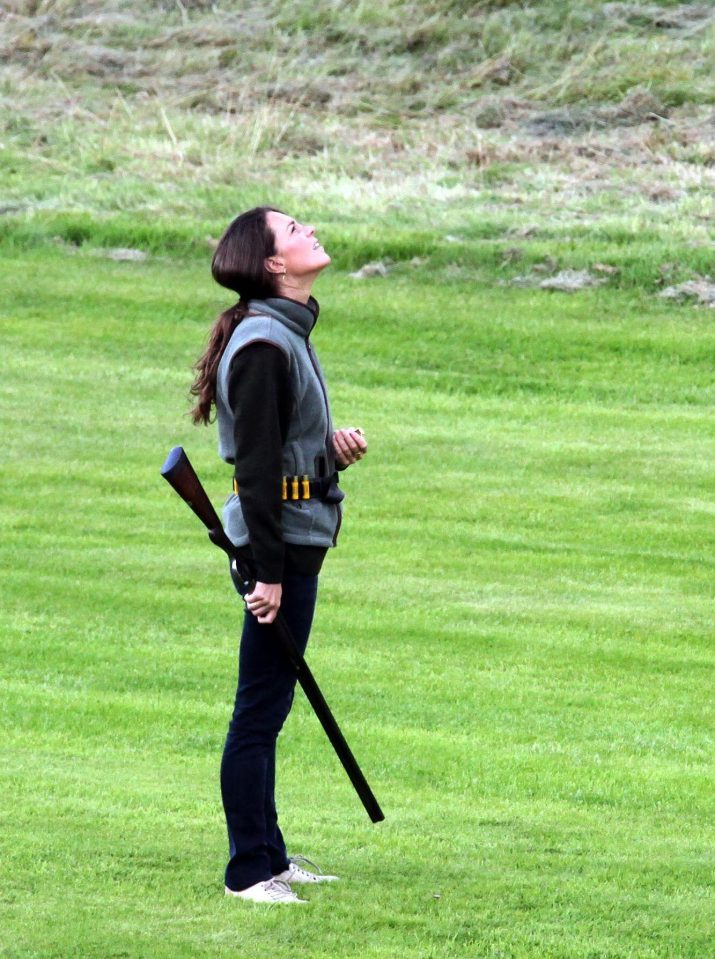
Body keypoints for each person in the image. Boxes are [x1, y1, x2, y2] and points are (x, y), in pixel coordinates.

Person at [189, 207, 367, 904]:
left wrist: (329, 450)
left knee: (271, 702)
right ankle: (247, 871)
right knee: (258, 708)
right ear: (271, 264)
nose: (309, 231)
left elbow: (282, 448)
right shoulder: (266, 341)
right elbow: (257, 472)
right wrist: (264, 574)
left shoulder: (284, 331)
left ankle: (270, 852)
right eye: (293, 229)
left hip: (294, 536)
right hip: (278, 545)